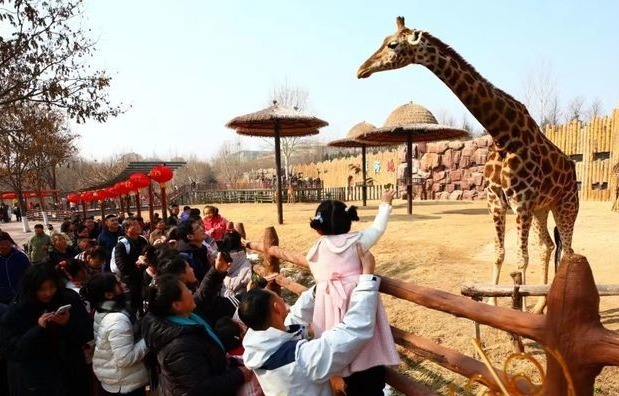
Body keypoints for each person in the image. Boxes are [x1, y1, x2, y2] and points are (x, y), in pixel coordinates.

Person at [239, 245, 382, 396]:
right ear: (277, 307)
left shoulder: (259, 346)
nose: (280, 297)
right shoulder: (300, 358)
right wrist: (367, 279)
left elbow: (293, 320)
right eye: (275, 294)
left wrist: (319, 289)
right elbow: (354, 331)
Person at [304, 189, 400, 395]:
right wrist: (385, 204)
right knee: (364, 341)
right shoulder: (356, 242)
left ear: (319, 229)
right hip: (358, 300)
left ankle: (343, 379)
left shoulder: (314, 251)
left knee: (336, 347)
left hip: (329, 310)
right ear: (348, 222)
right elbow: (378, 228)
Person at [143, 273, 252, 396]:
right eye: (186, 290)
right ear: (177, 305)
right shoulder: (179, 347)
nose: (191, 292)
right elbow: (200, 389)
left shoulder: (188, 319)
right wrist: (239, 375)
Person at [0, 264, 93, 396]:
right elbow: (11, 351)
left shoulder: (68, 299)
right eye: (42, 289)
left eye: (52, 287)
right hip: (37, 382)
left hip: (71, 374)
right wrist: (38, 329)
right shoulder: (18, 311)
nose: (48, 293)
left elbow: (87, 333)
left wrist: (67, 325)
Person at [83, 273, 149, 396]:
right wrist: (148, 340)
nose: (123, 285)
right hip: (124, 384)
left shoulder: (102, 309)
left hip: (117, 379)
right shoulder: (117, 319)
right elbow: (125, 358)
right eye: (118, 284)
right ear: (109, 295)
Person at [112, 219, 149, 317]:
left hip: (144, 279)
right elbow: (122, 267)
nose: (138, 227)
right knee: (133, 306)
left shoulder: (142, 240)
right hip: (130, 281)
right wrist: (138, 268)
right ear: (126, 229)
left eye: (138, 224)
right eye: (134, 225)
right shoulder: (122, 244)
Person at [218, 230, 252, 299]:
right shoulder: (245, 263)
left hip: (221, 298)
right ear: (240, 243)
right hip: (238, 300)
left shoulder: (218, 260)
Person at [0, 231, 31, 304]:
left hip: (20, 297)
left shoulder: (20, 256)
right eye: (1, 244)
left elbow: (29, 275)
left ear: (11, 243)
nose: (5, 246)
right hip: (2, 299)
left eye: (7, 243)